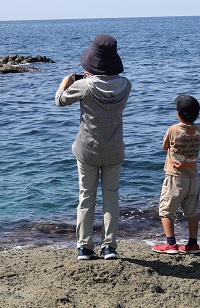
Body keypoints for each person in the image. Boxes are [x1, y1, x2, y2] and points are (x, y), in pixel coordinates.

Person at [55, 34, 131, 260]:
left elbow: (59, 100)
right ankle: (109, 247)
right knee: (111, 198)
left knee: (86, 198)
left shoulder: (83, 86)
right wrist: (96, 78)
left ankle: (84, 248)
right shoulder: (126, 85)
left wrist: (65, 84)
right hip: (114, 150)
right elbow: (108, 85)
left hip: (87, 150)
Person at [152, 95, 200, 255]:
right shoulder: (199, 130)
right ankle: (192, 244)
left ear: (178, 114)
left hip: (175, 177)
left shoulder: (173, 129)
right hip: (193, 177)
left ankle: (171, 244)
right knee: (192, 212)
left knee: (166, 211)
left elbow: (165, 147)